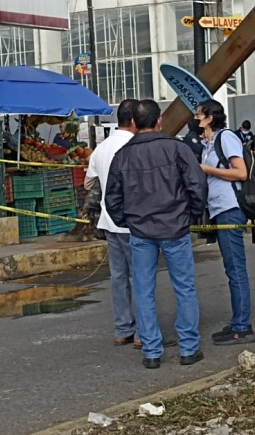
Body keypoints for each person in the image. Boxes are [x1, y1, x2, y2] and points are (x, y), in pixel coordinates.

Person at [106, 99, 208, 369]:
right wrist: (191, 215)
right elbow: (197, 185)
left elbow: (112, 198)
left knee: (143, 290)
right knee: (184, 288)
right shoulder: (177, 149)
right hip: (175, 227)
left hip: (140, 231)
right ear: (159, 120)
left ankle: (152, 351)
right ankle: (188, 349)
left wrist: (127, 221)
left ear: (134, 124)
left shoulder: (123, 155)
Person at [196, 99, 255, 345]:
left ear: (210, 117)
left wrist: (207, 170)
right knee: (231, 268)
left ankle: (242, 327)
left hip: (231, 208)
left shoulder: (226, 138)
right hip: (219, 209)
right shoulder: (209, 143)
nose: (195, 118)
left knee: (235, 268)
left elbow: (241, 172)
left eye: (199, 114)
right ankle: (237, 322)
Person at [85, 99, 141, 347]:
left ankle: (123, 329)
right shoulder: (135, 145)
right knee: (141, 276)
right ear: (134, 120)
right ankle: (143, 331)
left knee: (119, 276)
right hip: (134, 222)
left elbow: (88, 183)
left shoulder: (101, 148)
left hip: (109, 222)